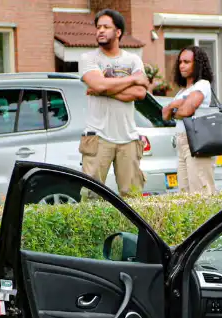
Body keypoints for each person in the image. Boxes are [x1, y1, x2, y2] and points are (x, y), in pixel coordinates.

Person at [78, 9, 149, 197]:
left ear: (118, 32)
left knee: (133, 197)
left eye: (106, 27)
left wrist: (104, 90)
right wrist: (132, 80)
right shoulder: (88, 58)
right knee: (92, 197)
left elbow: (141, 92)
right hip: (98, 137)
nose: (100, 30)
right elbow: (98, 84)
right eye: (98, 27)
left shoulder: (133, 59)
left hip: (129, 138)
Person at [162, 46, 217, 194]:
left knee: (200, 192)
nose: (182, 65)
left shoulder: (203, 84)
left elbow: (186, 110)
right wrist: (179, 104)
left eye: (187, 62)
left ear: (197, 64)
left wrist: (173, 107)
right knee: (185, 193)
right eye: (180, 62)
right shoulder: (181, 92)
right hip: (181, 143)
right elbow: (164, 114)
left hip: (196, 140)